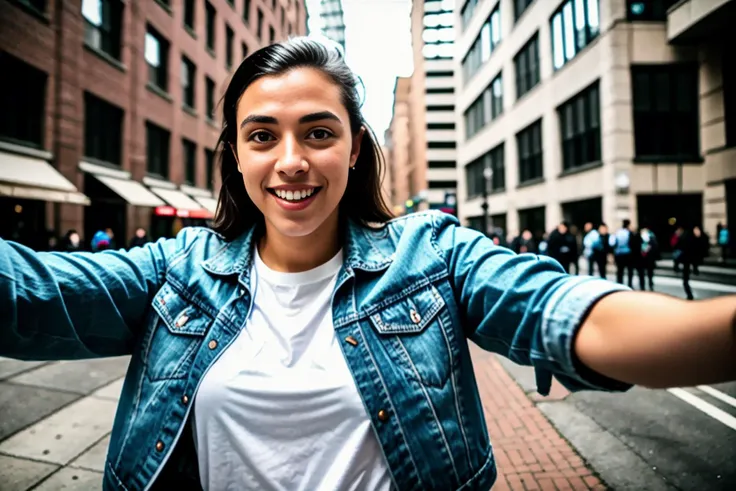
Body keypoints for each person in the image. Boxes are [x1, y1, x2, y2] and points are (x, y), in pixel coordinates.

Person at [0, 38, 734, 491]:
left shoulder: (434, 257)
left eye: (318, 132)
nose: (292, 161)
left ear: (354, 148)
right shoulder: (174, 271)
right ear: (236, 154)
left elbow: (567, 314)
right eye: (263, 135)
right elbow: (28, 296)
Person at [679, 225, 710, 300]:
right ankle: (689, 294)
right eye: (696, 230)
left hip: (691, 260)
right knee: (685, 279)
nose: (697, 232)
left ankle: (690, 294)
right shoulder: (689, 239)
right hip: (688, 260)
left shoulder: (698, 239)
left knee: (686, 279)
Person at [610, 219, 634, 287]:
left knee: (620, 271)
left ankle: (619, 284)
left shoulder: (618, 232)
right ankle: (630, 285)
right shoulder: (629, 233)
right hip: (628, 254)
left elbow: (612, 243)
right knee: (630, 271)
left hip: (619, 254)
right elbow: (632, 243)